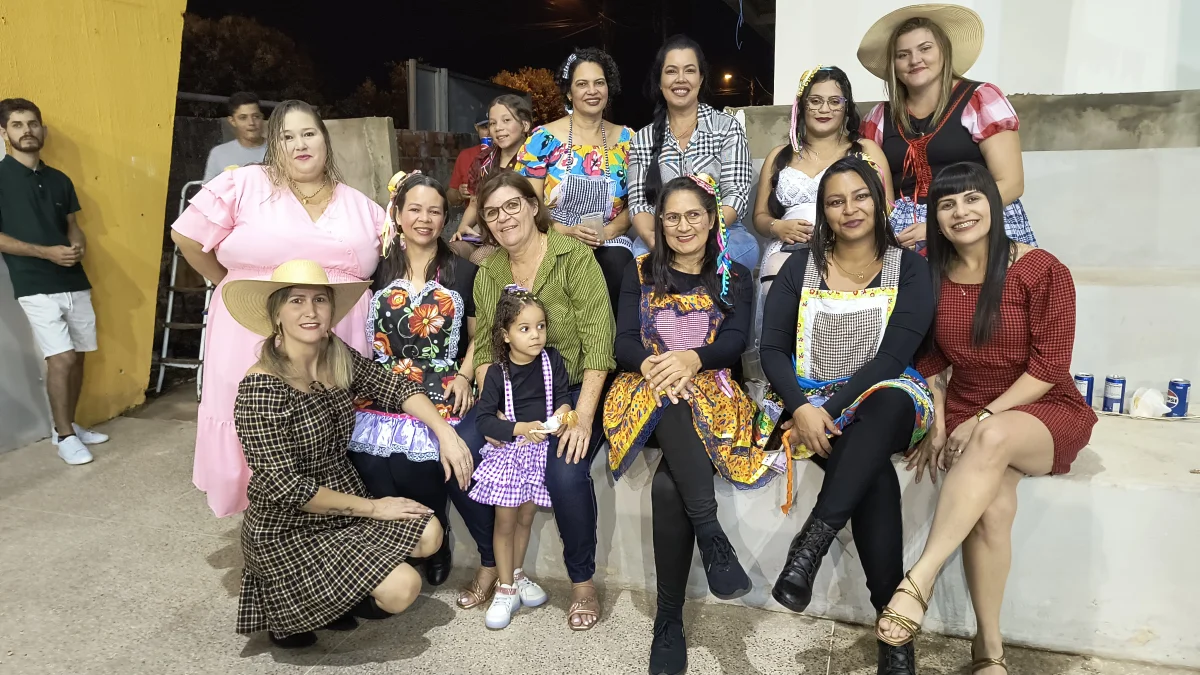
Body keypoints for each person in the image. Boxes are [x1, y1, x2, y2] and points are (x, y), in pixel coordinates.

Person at [876, 163, 1096, 674]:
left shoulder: (1042, 270)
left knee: (993, 435)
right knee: (993, 509)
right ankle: (989, 651)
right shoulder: (932, 274)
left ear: (994, 205)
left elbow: (1049, 368)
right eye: (947, 204)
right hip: (967, 409)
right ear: (935, 217)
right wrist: (937, 420)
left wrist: (981, 417)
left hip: (1043, 409)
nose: (961, 212)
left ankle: (919, 580)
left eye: (972, 199)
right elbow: (930, 358)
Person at [223, 259, 474, 649]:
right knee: (404, 587)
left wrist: (444, 433)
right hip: (290, 526)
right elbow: (287, 487)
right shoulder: (261, 389)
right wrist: (375, 508)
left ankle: (334, 599)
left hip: (343, 503)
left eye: (320, 300)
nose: (310, 311)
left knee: (430, 533)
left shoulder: (333, 352)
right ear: (276, 314)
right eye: (296, 301)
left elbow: (395, 387)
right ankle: (295, 608)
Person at [760, 156, 934, 675]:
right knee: (873, 475)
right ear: (824, 212)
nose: (850, 209)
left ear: (878, 201)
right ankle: (893, 632)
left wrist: (823, 413)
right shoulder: (799, 267)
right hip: (810, 400)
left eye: (860, 197)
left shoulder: (912, 268)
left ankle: (811, 542)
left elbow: (891, 359)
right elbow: (771, 350)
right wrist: (801, 408)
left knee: (885, 402)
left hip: (883, 396)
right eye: (836, 202)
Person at [171, 99, 387, 517]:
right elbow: (187, 238)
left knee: (326, 432)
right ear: (274, 144)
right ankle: (266, 520)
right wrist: (233, 288)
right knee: (261, 426)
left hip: (336, 332)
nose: (299, 144)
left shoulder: (360, 204)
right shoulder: (245, 185)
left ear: (324, 140)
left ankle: (331, 512)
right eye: (287, 137)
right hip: (250, 331)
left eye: (308, 133)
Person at [603, 174, 769, 675]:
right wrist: (656, 367)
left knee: (667, 486)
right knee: (672, 398)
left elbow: (734, 340)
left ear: (712, 218)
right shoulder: (639, 270)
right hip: (647, 389)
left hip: (711, 390)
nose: (682, 226)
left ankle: (668, 621)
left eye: (693, 215)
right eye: (671, 217)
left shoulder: (734, 276)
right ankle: (712, 534)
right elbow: (624, 340)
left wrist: (691, 360)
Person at [468, 169, 615, 630]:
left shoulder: (572, 256)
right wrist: (492, 403)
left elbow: (598, 339)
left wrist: (584, 415)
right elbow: (485, 349)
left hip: (569, 392)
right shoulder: (489, 272)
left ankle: (582, 582)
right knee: (461, 447)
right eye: (492, 212)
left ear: (533, 207)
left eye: (513, 205)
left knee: (566, 472)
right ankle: (496, 565)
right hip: (510, 397)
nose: (504, 217)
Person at [347, 171, 480, 588]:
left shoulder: (463, 271)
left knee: (418, 464)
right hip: (382, 383)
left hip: (441, 384)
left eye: (435, 211)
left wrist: (464, 376)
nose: (425, 219)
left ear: (445, 217)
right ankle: (395, 545)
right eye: (416, 209)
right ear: (398, 214)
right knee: (371, 462)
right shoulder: (376, 270)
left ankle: (436, 538)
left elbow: (479, 338)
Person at [857, 4, 1037, 252]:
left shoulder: (979, 99)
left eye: (925, 48)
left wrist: (937, 225)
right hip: (905, 233)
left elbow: (1011, 183)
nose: (915, 60)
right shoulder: (879, 117)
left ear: (944, 51)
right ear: (893, 65)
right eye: (903, 55)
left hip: (975, 220)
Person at [751, 65, 893, 348]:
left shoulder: (865, 151)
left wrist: (850, 233)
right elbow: (760, 216)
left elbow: (887, 208)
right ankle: (784, 359)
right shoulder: (779, 156)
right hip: (790, 246)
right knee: (778, 276)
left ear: (846, 106)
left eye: (834, 101)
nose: (824, 109)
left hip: (851, 242)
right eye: (815, 101)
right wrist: (778, 227)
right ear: (802, 106)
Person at [0, 97, 108, 465]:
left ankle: (70, 424)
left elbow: (73, 227)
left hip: (74, 279)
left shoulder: (59, 179)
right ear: (4, 133)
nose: (27, 131)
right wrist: (46, 253)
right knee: (61, 358)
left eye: (32, 123)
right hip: (34, 282)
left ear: (42, 129)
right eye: (17, 125)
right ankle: (63, 437)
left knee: (78, 357)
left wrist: (77, 244)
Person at [469, 287, 573, 629]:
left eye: (540, 326)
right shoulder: (497, 373)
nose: (536, 335)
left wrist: (561, 413)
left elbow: (562, 397)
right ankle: (504, 588)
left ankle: (516, 573)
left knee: (526, 519)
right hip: (510, 456)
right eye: (524, 328)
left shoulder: (552, 360)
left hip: (539, 455)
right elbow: (485, 420)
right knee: (505, 523)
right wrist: (520, 429)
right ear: (506, 334)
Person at [628, 34, 758, 272]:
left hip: (721, 231)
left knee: (741, 251)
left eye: (689, 70)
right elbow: (639, 204)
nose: (680, 79)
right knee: (642, 257)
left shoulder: (726, 128)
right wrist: (656, 241)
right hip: (664, 233)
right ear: (659, 81)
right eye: (671, 71)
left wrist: (702, 237)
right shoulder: (643, 139)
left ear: (701, 79)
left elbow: (736, 194)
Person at [518, 48, 636, 310]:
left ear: (608, 88)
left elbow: (638, 202)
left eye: (599, 83)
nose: (592, 91)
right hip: (551, 234)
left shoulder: (629, 140)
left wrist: (608, 232)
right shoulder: (542, 139)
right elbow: (527, 203)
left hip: (608, 238)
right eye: (582, 84)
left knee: (618, 265)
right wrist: (564, 230)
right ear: (569, 93)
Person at [450, 95, 536, 265]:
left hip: (520, 230)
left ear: (525, 125)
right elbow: (475, 203)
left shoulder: (535, 159)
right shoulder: (484, 160)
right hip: (486, 231)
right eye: (492, 123)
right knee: (452, 251)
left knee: (479, 258)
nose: (498, 128)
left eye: (506, 120)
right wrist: (463, 227)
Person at [203, 92, 266, 181]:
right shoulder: (219, 154)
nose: (251, 123)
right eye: (243, 118)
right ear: (232, 121)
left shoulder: (281, 150)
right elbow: (209, 188)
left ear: (262, 117)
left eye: (256, 116)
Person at [448, 119, 490, 207]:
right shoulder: (465, 155)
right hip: (473, 213)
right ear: (476, 128)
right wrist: (459, 194)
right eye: (485, 127)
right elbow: (450, 197)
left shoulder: (510, 153)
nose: (489, 132)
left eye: (493, 125)